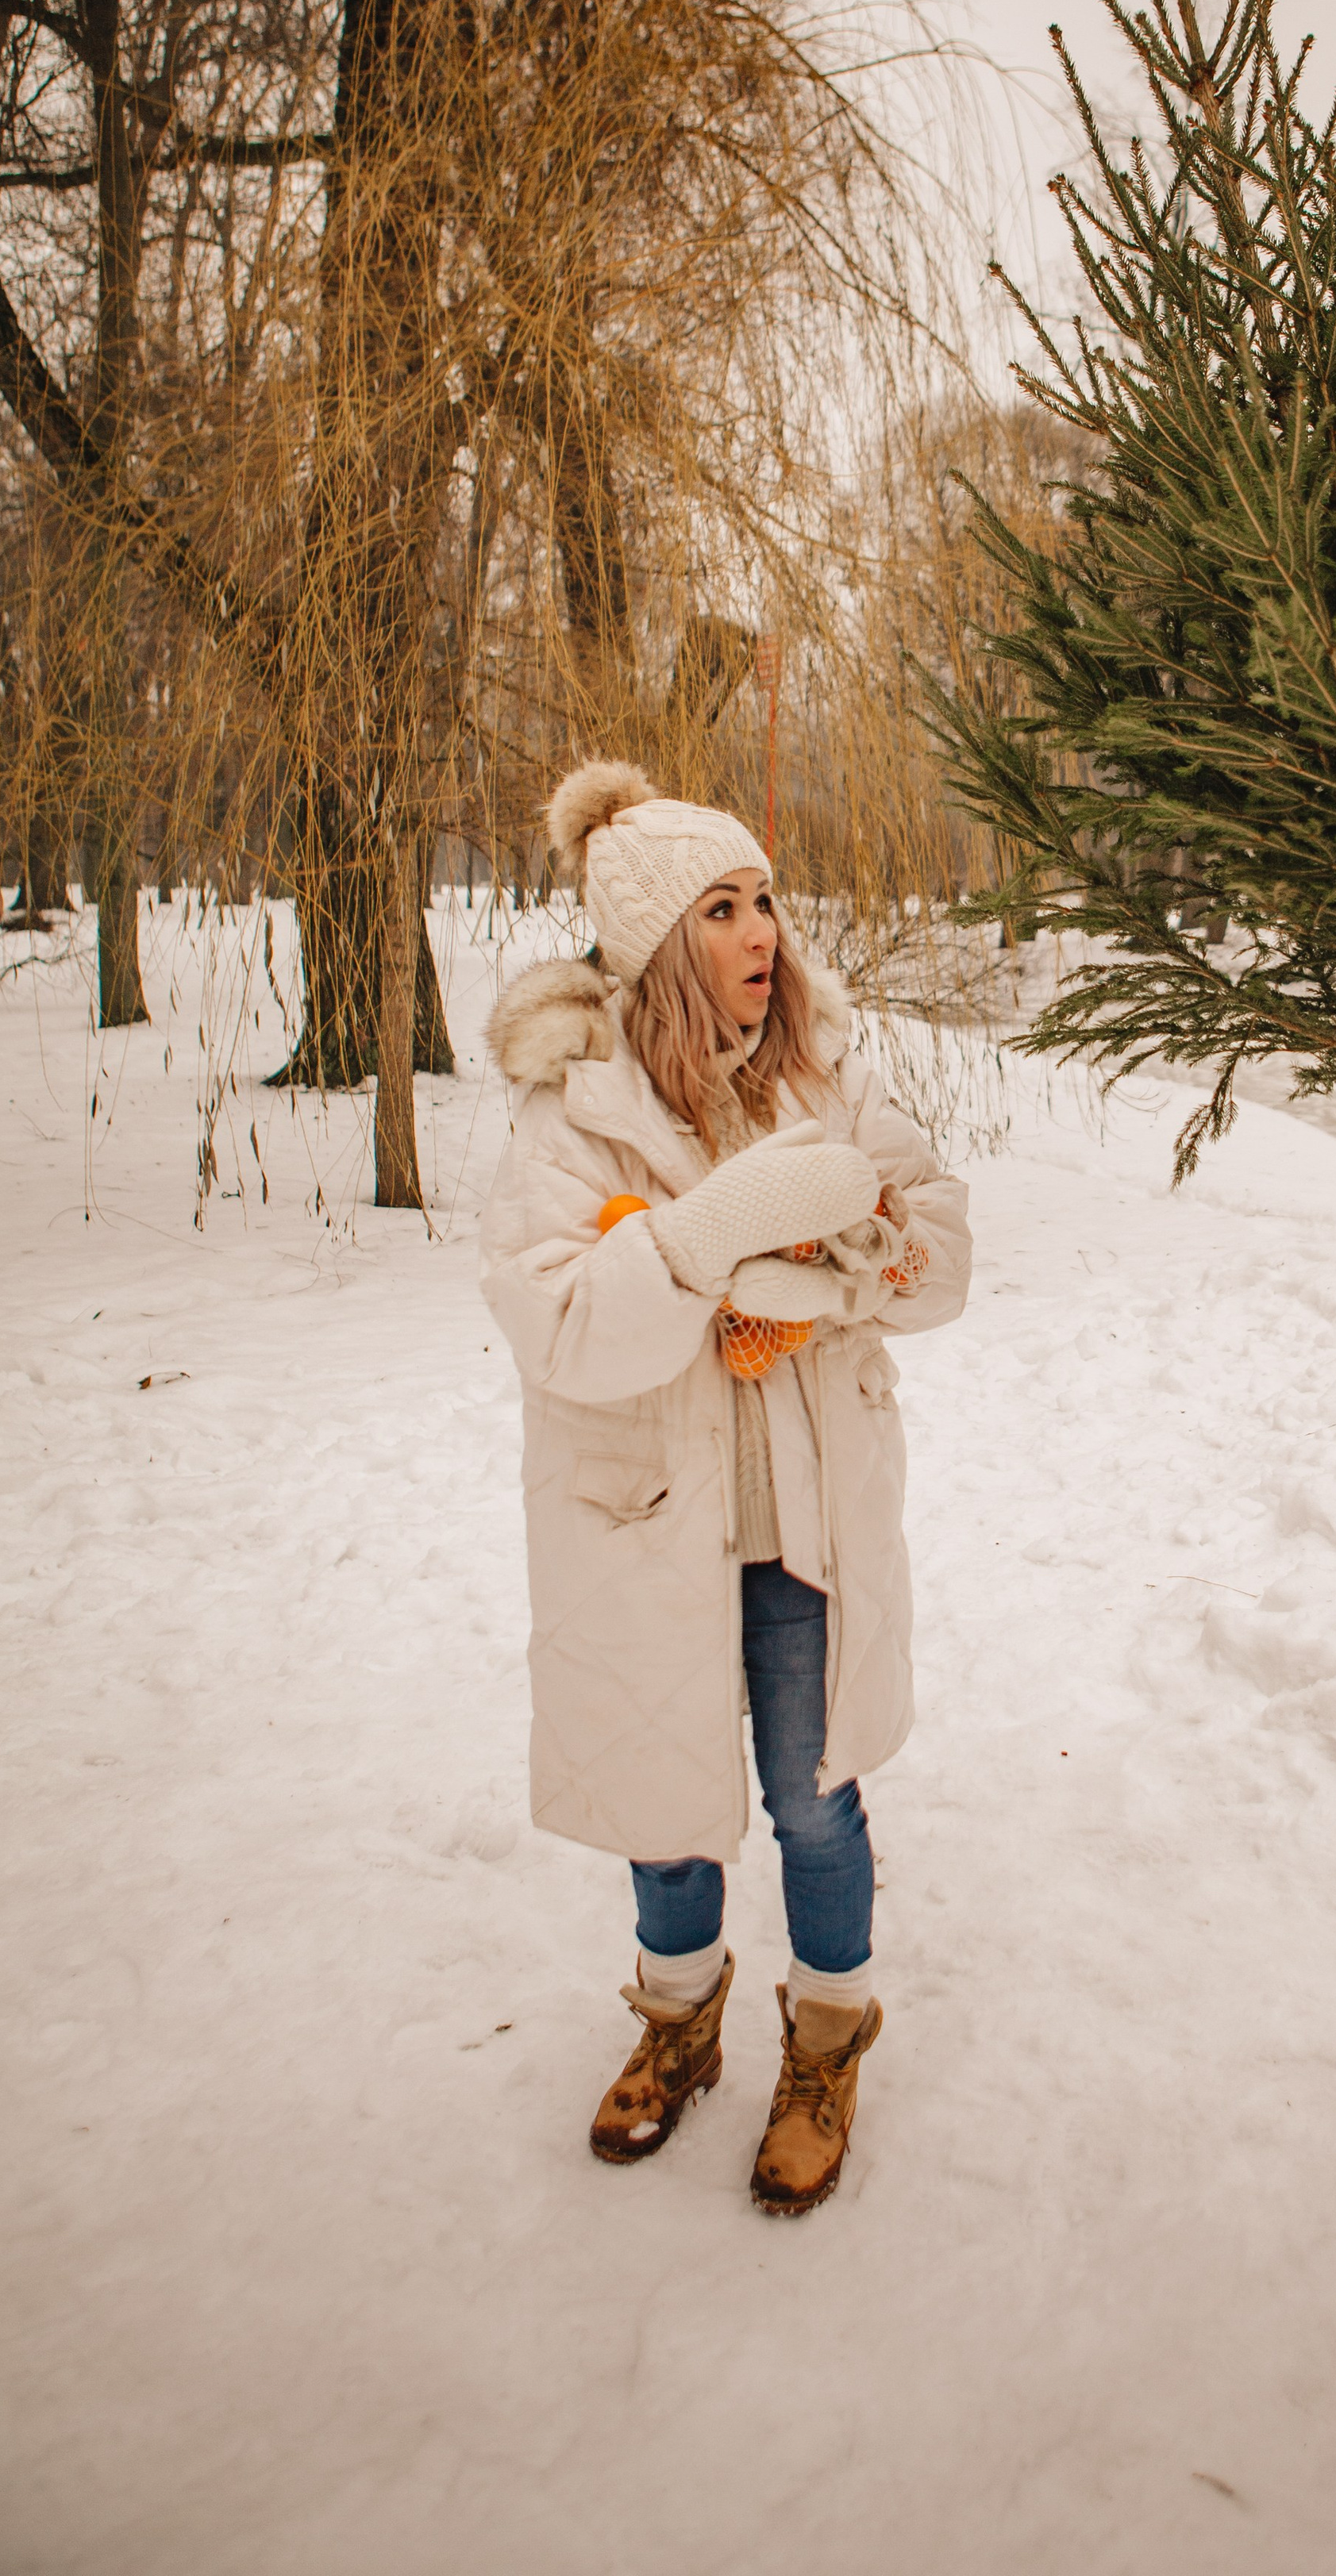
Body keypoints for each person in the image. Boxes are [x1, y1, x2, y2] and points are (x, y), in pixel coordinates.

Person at [479, 763, 971, 2214]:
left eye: (765, 898)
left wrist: (831, 1282)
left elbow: (937, 1250)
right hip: (645, 1531)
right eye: (723, 906)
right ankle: (677, 2025)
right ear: (653, 945)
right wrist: (706, 1245)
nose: (765, 929)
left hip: (806, 1530)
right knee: (666, 1802)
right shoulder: (569, 1123)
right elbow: (560, 1322)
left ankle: (827, 2041)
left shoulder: (829, 1076)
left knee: (816, 1803)